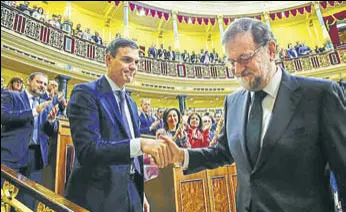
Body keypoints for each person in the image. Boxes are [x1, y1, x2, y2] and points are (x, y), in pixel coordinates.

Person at [162, 18, 346, 212]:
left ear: (271, 50)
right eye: (231, 62)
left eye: (245, 58)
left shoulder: (320, 95)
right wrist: (182, 155)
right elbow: (223, 152)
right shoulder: (233, 102)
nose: (237, 70)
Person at [65, 38, 172, 212]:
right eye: (127, 60)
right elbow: (88, 150)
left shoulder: (131, 103)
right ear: (108, 60)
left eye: (136, 62)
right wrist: (141, 144)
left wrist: (139, 192)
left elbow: (130, 152)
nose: (133, 66)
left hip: (131, 192)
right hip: (99, 196)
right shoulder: (85, 93)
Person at [1, 72, 59, 209]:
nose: (42, 86)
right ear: (29, 81)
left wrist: (51, 121)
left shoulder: (47, 105)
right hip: (11, 155)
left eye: (45, 84)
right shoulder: (12, 96)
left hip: (36, 158)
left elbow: (51, 131)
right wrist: (34, 112)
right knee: (5, 199)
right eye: (39, 82)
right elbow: (3, 116)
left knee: (28, 202)